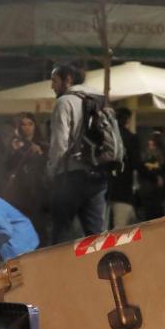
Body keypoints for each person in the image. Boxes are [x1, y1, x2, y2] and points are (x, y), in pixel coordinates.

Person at [47, 63, 108, 244]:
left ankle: (61, 271)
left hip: (70, 175)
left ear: (68, 79)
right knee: (96, 235)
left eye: (54, 81)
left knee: (62, 233)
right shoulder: (100, 99)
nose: (52, 86)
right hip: (98, 175)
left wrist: (51, 171)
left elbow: (59, 143)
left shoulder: (64, 102)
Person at [5, 112, 49, 246]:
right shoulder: (14, 144)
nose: (27, 128)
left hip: (39, 192)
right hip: (20, 194)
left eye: (30, 124)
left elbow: (48, 166)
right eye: (23, 124)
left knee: (40, 229)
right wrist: (17, 151)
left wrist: (40, 154)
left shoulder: (43, 145)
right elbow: (8, 166)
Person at [107, 107, 141, 228]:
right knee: (120, 229)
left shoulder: (108, 137)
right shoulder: (131, 138)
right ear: (128, 120)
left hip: (105, 189)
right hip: (123, 190)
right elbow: (137, 163)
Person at [137, 132, 165, 220]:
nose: (150, 148)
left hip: (163, 198)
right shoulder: (148, 160)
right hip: (149, 199)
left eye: (153, 145)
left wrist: (161, 178)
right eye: (149, 145)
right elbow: (142, 172)